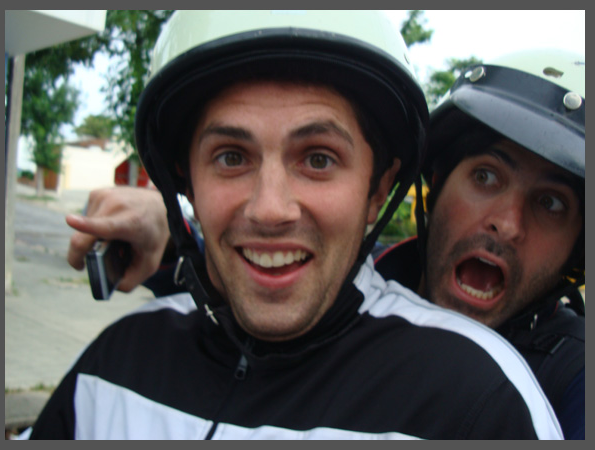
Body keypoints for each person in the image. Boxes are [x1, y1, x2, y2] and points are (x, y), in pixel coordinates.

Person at [29, 11, 562, 439]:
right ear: (186, 181)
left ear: (378, 191)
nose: (269, 209)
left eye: (319, 159)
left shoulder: (477, 399)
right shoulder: (113, 363)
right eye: (232, 157)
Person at [375, 49, 585, 439]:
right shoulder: (343, 286)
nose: (507, 224)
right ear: (435, 185)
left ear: (576, 251)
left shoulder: (575, 377)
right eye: (486, 176)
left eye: (551, 203)